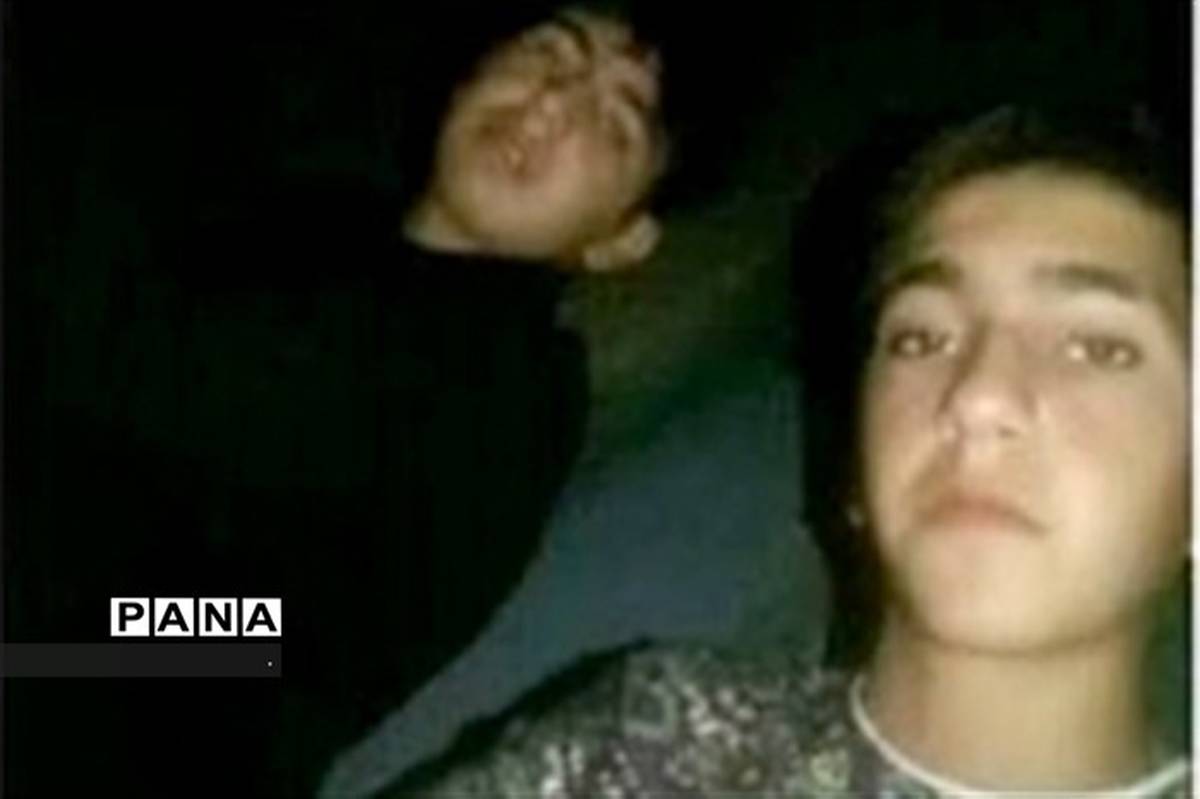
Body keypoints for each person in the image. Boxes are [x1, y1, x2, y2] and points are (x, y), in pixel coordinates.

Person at [382, 106, 1191, 797]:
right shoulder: (660, 731)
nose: (978, 394)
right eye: (921, 336)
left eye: (1098, 348)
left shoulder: (512, 392)